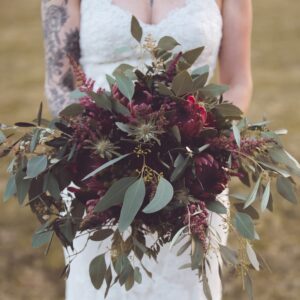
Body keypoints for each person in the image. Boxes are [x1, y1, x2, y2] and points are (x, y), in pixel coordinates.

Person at [41, 0, 252, 299]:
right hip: (98, 173)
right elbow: (60, 86)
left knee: (187, 284)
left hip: (193, 174)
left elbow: (238, 81)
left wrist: (206, 140)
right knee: (103, 288)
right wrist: (99, 153)